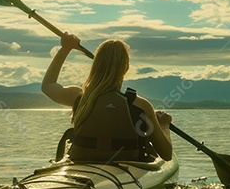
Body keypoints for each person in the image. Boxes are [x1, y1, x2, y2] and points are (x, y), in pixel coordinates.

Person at [41, 33, 173, 163]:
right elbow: (166, 154)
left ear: (95, 65)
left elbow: (48, 86)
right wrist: (164, 125)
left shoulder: (79, 97)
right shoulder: (141, 106)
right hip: (127, 169)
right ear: (125, 68)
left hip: (82, 162)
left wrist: (65, 48)